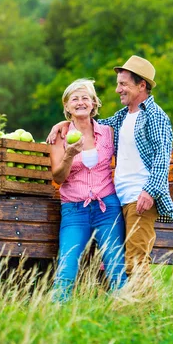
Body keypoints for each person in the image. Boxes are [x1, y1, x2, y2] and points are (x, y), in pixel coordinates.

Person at [48, 55, 173, 289]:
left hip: (138, 198)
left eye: (123, 84)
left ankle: (144, 314)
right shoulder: (121, 117)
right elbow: (87, 123)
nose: (118, 90)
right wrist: (62, 124)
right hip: (117, 199)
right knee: (122, 263)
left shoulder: (155, 116)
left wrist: (150, 191)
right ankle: (132, 309)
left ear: (141, 85)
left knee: (133, 263)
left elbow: (162, 157)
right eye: (118, 84)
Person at [50, 78, 127, 303]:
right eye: (75, 99)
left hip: (107, 208)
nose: (81, 102)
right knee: (67, 264)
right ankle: (57, 314)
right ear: (66, 106)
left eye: (86, 98)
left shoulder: (108, 133)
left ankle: (125, 310)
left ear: (94, 104)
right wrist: (69, 154)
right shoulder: (60, 136)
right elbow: (58, 177)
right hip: (75, 210)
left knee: (115, 264)